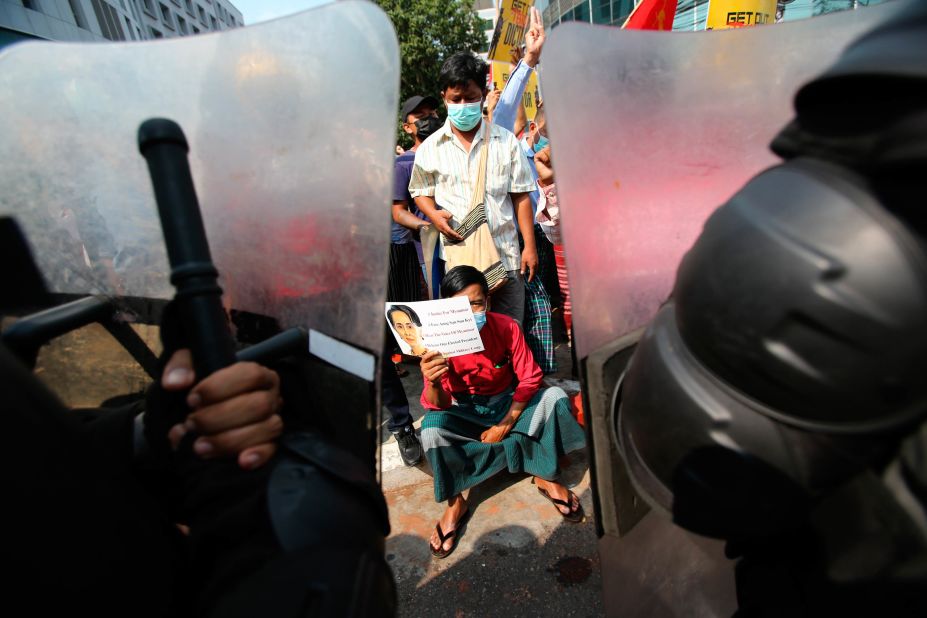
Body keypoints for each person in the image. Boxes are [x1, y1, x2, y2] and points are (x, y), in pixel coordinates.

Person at [418, 266, 587, 559]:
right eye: (460, 306)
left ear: (488, 302)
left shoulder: (507, 327)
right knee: (432, 429)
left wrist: (505, 425)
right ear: (446, 311)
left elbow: (530, 378)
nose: (471, 312)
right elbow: (439, 404)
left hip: (509, 405)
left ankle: (544, 473)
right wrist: (433, 380)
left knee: (554, 397)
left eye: (477, 303)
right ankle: (456, 502)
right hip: (468, 411)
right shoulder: (437, 344)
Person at [408, 52, 537, 324]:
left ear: (483, 94)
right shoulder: (429, 149)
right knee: (469, 344)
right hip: (459, 265)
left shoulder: (506, 142)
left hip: (507, 259)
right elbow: (420, 192)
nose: (464, 105)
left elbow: (521, 197)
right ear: (444, 96)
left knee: (510, 336)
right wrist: (432, 214)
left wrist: (530, 247)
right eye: (456, 99)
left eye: (471, 97)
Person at [489, 7, 559, 374]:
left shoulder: (529, 145)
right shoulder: (499, 142)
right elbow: (504, 114)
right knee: (510, 322)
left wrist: (535, 63)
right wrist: (528, 62)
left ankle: (540, 378)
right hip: (504, 244)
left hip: (540, 236)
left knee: (541, 313)